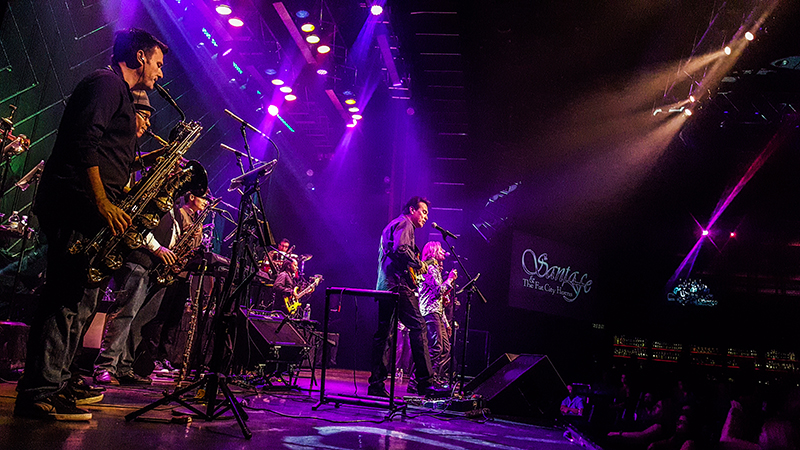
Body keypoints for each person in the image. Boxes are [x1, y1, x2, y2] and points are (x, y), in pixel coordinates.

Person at [15, 28, 168, 421]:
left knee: (81, 303)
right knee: (65, 300)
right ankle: (38, 391)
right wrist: (101, 200)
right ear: (139, 57)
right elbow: (83, 143)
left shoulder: (117, 94)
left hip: (93, 212)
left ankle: (59, 383)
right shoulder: (106, 85)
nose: (160, 73)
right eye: (157, 63)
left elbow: (107, 153)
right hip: (79, 207)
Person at [368, 196, 448, 398]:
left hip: (385, 286)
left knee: (384, 335)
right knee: (419, 326)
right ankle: (426, 383)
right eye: (423, 212)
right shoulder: (406, 223)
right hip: (397, 286)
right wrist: (419, 264)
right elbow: (401, 250)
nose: (425, 217)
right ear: (412, 210)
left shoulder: (394, 225)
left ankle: (376, 385)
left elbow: (394, 253)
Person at [139, 190, 209, 375]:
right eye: (203, 197)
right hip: (171, 271)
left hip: (184, 274)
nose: (206, 202)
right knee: (160, 316)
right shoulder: (180, 213)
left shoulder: (196, 218)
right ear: (192, 197)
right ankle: (151, 357)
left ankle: (164, 357)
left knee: (174, 319)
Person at [417, 240, 456, 384]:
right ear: (433, 251)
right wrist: (450, 279)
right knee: (436, 347)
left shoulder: (437, 270)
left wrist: (446, 322)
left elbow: (440, 299)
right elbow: (438, 291)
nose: (443, 252)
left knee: (445, 348)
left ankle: (434, 379)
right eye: (439, 249)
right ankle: (418, 381)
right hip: (430, 311)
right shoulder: (430, 269)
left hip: (438, 313)